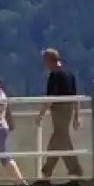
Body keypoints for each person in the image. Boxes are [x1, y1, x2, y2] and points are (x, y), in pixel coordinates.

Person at [34, 48, 82, 179]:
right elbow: (75, 97)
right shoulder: (70, 75)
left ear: (50, 61)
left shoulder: (54, 75)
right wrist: (76, 116)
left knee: (61, 138)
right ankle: (48, 170)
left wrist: (41, 115)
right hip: (69, 109)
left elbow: (51, 97)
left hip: (59, 110)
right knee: (59, 138)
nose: (45, 65)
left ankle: (73, 169)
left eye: (45, 61)